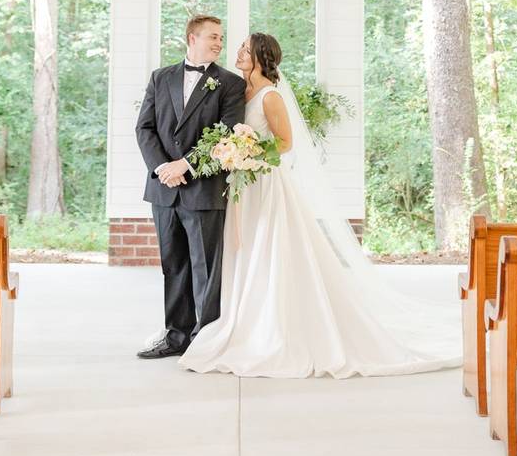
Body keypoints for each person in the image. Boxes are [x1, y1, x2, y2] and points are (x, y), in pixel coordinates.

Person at [178, 33, 462, 378]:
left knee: (268, 252)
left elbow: (284, 143)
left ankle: (272, 330)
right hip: (244, 187)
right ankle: (241, 321)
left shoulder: (269, 96)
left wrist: (247, 152)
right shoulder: (242, 90)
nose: (237, 52)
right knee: (245, 251)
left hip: (265, 184)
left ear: (259, 57)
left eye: (244, 49)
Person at [134, 15, 246, 359]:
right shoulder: (160, 77)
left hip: (204, 190)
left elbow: (227, 133)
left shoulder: (229, 83)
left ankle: (205, 339)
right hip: (164, 190)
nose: (219, 43)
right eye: (213, 36)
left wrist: (186, 165)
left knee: (206, 268)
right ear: (191, 37)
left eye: (221, 39)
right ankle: (175, 335)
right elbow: (145, 128)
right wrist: (162, 168)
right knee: (173, 264)